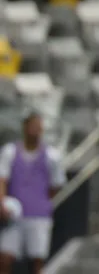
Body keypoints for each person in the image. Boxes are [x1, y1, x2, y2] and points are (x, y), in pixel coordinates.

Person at [0, 110, 66, 274]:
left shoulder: (52, 156)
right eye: (32, 126)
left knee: (37, 260)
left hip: (39, 216)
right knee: (5, 258)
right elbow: (2, 179)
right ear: (25, 127)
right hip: (13, 217)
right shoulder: (10, 152)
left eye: (38, 127)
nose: (35, 130)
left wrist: (40, 202)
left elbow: (56, 185)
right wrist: (2, 204)